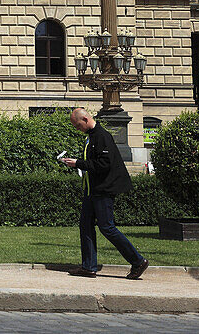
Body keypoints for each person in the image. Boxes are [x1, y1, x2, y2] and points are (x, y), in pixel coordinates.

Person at [60, 108, 148, 279]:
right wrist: (79, 163)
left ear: (85, 119)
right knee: (85, 225)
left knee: (107, 227)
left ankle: (138, 261)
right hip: (92, 190)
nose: (77, 129)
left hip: (103, 189)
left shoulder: (101, 136)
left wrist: (78, 163)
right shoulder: (93, 136)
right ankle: (89, 267)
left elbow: (103, 164)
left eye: (78, 125)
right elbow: (97, 162)